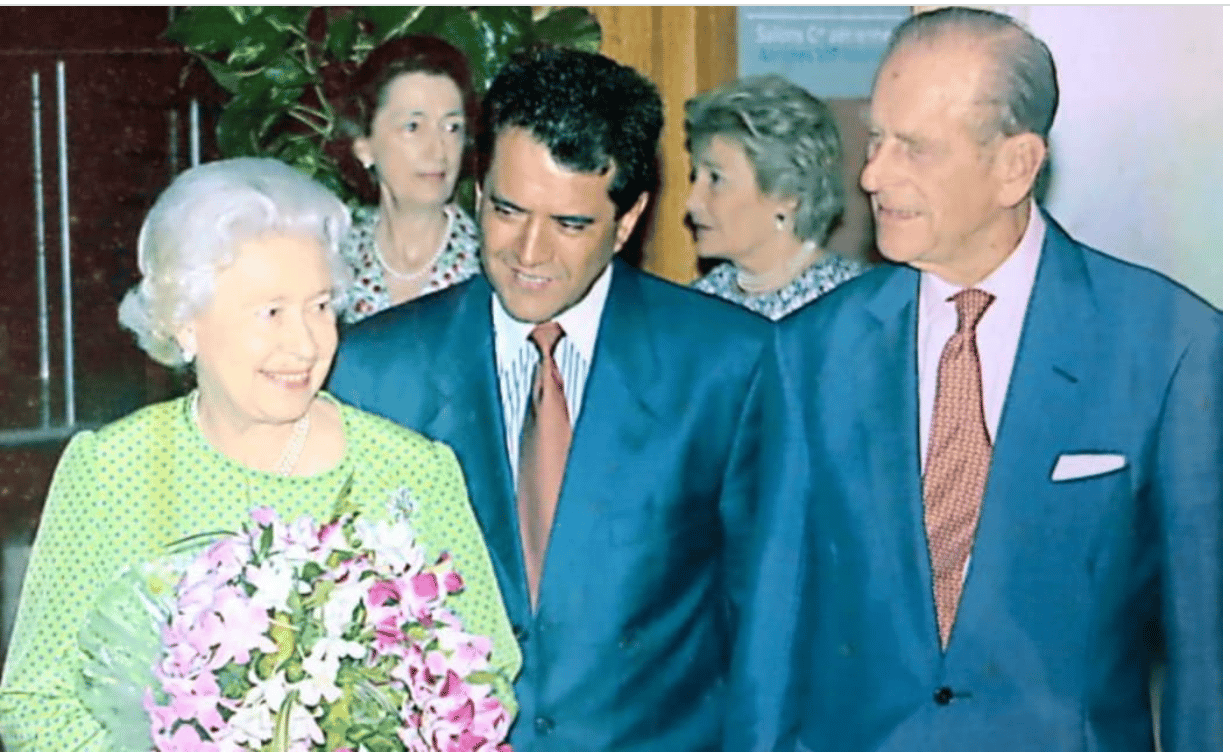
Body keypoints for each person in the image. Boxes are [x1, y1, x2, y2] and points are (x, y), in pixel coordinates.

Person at [733, 6, 1222, 751]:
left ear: (1015, 166)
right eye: (875, 139)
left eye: (914, 149)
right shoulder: (811, 353)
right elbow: (770, 632)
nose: (872, 175)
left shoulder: (1168, 344)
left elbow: (1206, 660)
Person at [330, 47, 769, 751]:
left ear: (627, 222)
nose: (528, 252)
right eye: (508, 210)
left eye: (570, 224)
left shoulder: (727, 365)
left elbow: (768, 621)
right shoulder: (374, 373)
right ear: (477, 191)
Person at [0, 158, 520, 750]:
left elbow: (486, 679)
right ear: (185, 322)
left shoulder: (413, 470)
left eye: (320, 306)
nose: (304, 343)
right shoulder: (111, 470)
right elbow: (35, 704)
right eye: (270, 312)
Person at [686, 74, 865, 320]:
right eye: (695, 177)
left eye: (716, 179)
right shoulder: (694, 308)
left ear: (787, 193)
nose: (693, 202)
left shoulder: (854, 307)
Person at [335, 35, 482, 324]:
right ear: (364, 145)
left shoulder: (488, 267)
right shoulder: (335, 261)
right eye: (413, 126)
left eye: (452, 127)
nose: (438, 149)